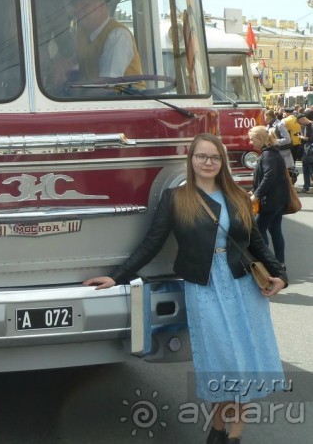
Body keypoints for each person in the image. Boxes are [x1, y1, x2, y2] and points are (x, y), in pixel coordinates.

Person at [84, 133, 287, 444]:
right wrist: (117, 276)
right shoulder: (176, 199)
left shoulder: (237, 195)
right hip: (204, 288)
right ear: (191, 160)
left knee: (244, 362)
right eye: (201, 156)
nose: (208, 162)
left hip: (243, 286)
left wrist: (279, 273)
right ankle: (219, 429)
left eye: (214, 157)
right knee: (224, 364)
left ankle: (232, 435)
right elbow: (151, 244)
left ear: (223, 162)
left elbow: (255, 242)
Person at [70, 0, 143, 81]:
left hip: (125, 95)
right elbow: (74, 60)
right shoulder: (81, 33)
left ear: (101, 6)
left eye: (85, 6)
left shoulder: (118, 35)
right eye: (76, 7)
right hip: (93, 93)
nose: (78, 12)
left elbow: (108, 85)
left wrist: (78, 91)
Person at [249, 126, 290, 267]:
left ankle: (268, 265)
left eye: (252, 139)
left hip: (271, 202)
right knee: (275, 231)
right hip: (278, 201)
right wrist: (254, 190)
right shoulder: (273, 153)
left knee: (259, 232)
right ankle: (280, 263)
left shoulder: (267, 155)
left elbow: (269, 176)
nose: (251, 142)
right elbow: (268, 177)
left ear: (260, 139)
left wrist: (256, 194)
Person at [263, 109, 293, 176]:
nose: (264, 118)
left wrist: (274, 142)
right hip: (274, 154)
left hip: (282, 155)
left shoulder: (279, 125)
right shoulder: (268, 126)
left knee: (284, 177)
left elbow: (288, 139)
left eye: (264, 116)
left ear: (268, 116)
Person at [300, 109, 313, 193]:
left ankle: (308, 187)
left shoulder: (311, 125)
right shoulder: (304, 126)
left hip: (310, 149)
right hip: (306, 149)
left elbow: (311, 138)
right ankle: (306, 187)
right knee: (306, 168)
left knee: (310, 168)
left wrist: (303, 138)